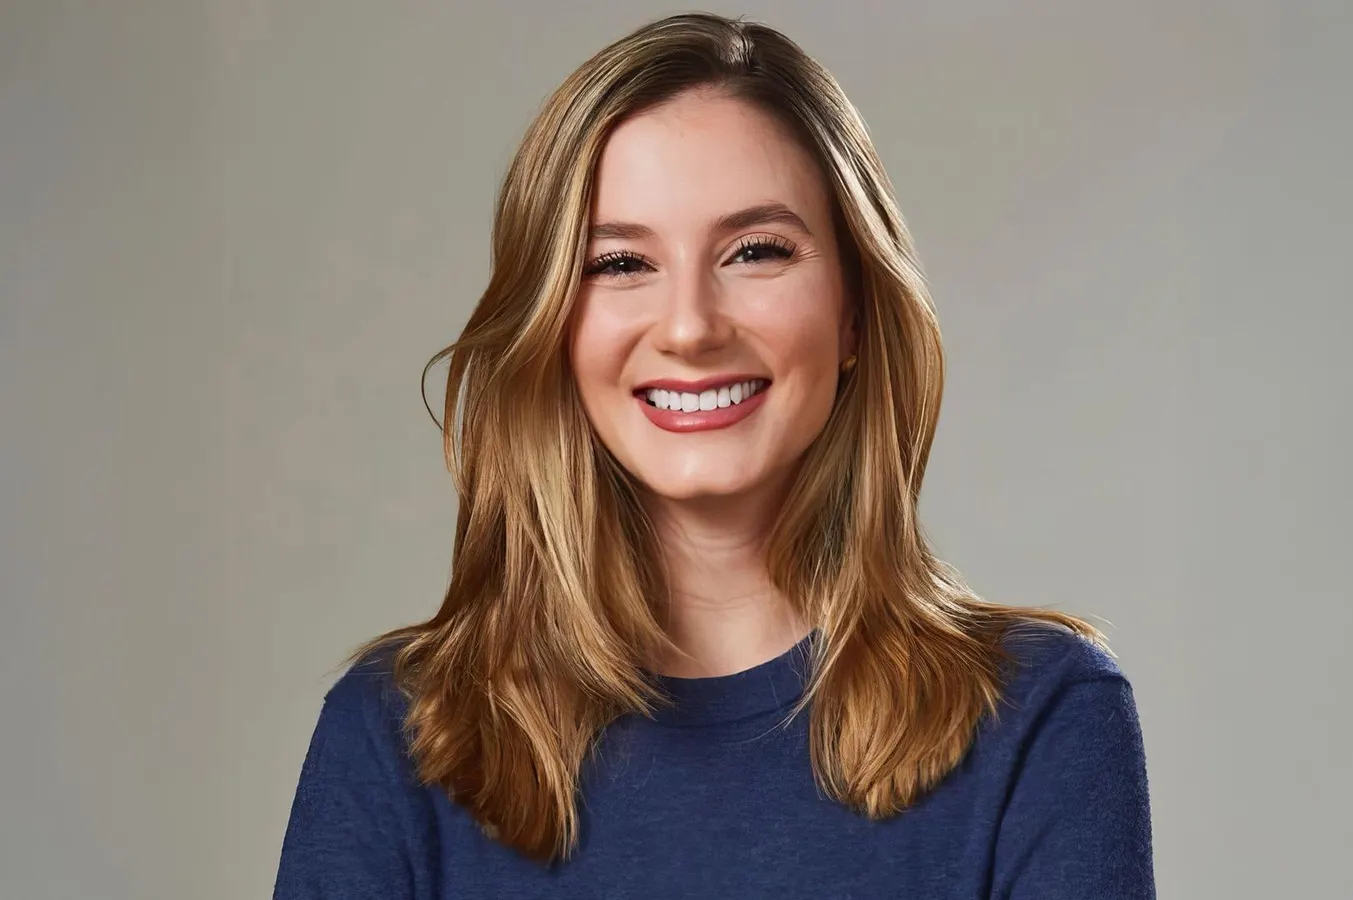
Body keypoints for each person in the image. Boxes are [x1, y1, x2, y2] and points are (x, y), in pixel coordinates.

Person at [273, 11, 1155, 899]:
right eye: (620, 263)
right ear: (551, 328)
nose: (690, 327)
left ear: (854, 311)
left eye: (756, 252)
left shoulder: (1042, 719)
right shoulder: (396, 735)